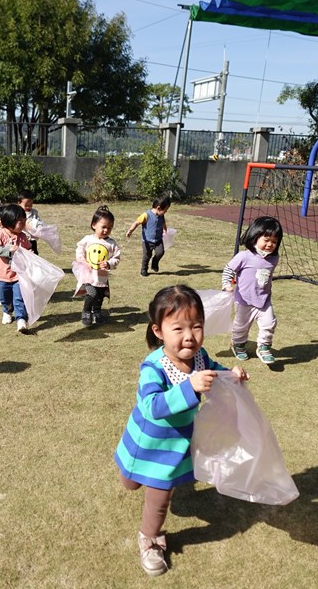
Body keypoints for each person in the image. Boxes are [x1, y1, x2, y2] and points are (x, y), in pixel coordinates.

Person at [114, 285, 249, 576]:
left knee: (159, 499)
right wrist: (189, 387)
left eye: (196, 326)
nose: (189, 336)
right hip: (145, 441)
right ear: (159, 331)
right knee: (131, 482)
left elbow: (214, 371)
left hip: (173, 449)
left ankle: (149, 540)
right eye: (178, 328)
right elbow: (152, 406)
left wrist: (231, 375)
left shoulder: (200, 357)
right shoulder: (154, 367)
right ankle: (132, 476)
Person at [221, 216, 283, 365]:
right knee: (241, 326)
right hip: (244, 300)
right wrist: (227, 284)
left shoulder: (274, 259)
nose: (270, 244)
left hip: (264, 300)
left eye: (274, 241)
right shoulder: (244, 256)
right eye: (266, 240)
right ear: (255, 237)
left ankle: (264, 347)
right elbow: (229, 269)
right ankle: (238, 344)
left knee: (270, 323)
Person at [0, 203, 32, 333]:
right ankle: (7, 311)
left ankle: (21, 319)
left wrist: (30, 254)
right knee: (5, 297)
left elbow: (28, 249)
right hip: (3, 275)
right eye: (20, 222)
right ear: (10, 221)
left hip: (19, 275)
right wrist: (8, 249)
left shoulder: (22, 237)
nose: (23, 224)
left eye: (24, 221)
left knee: (19, 297)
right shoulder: (0, 234)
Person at [74, 205, 121, 326]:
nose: (106, 230)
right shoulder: (88, 239)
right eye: (103, 227)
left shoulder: (111, 243)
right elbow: (79, 249)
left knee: (100, 295)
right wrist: (82, 260)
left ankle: (97, 311)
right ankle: (86, 311)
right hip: (89, 275)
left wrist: (109, 263)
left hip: (102, 277)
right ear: (94, 225)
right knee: (92, 293)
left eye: (110, 227)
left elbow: (116, 258)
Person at [125, 195, 171, 277]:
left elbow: (163, 223)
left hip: (158, 240)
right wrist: (130, 231)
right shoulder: (146, 215)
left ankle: (155, 263)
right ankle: (144, 270)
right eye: (165, 210)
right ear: (159, 208)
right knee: (146, 256)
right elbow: (137, 222)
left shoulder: (161, 215)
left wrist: (165, 230)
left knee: (160, 252)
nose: (166, 212)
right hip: (147, 241)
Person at [17, 189, 43, 254]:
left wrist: (39, 227)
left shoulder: (34, 213)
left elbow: (38, 222)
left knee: (33, 255)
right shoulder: (17, 213)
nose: (28, 207)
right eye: (26, 205)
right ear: (19, 203)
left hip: (32, 241)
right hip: (21, 240)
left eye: (30, 205)